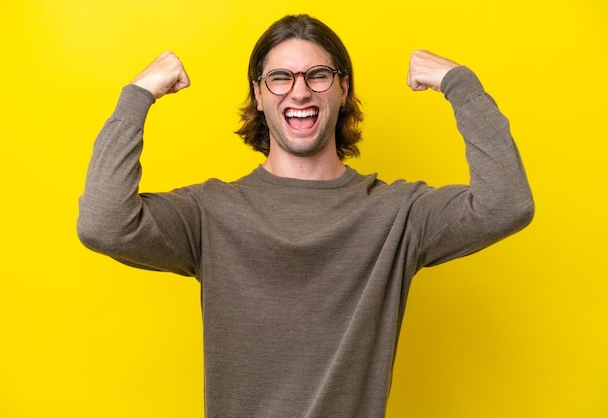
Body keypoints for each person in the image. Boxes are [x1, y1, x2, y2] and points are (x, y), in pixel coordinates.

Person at [78, 14, 534, 417]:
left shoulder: (398, 214)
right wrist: (137, 94)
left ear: (343, 87)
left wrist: (459, 82)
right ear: (258, 93)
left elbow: (506, 203)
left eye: (317, 75)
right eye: (280, 78)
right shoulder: (210, 213)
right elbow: (104, 223)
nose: (299, 91)